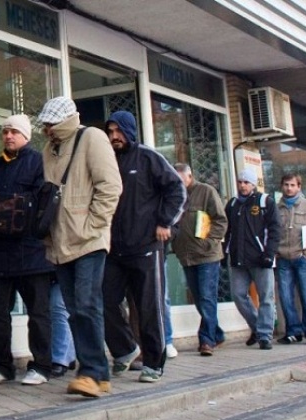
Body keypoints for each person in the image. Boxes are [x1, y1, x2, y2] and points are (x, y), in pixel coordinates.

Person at [38, 96, 122, 398]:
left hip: (88, 240)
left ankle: (93, 372)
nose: (46, 128)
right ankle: (96, 371)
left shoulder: (92, 138)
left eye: (50, 123)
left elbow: (110, 186)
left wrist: (92, 226)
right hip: (60, 242)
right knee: (76, 310)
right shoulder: (49, 149)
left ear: (63, 121)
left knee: (87, 304)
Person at [103, 111, 185, 384]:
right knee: (103, 300)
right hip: (113, 249)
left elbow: (177, 189)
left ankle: (154, 362)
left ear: (130, 131)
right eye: (110, 131)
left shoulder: (149, 158)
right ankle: (126, 349)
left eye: (119, 131)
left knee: (149, 307)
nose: (114, 136)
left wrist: (165, 222)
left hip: (146, 246)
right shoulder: (106, 160)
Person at [0, 114, 55, 386]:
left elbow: (42, 203)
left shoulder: (39, 164)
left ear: (26, 136)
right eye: (5, 131)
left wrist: (3, 205)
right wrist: (12, 205)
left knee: (38, 314)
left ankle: (41, 366)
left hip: (32, 252)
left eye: (14, 132)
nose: (8, 136)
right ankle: (2, 366)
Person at [171, 163, 228, 356]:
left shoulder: (206, 191)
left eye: (181, 179)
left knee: (206, 297)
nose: (178, 183)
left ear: (190, 176)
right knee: (198, 299)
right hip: (186, 257)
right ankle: (217, 333)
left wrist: (211, 242)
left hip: (207, 255)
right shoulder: (174, 195)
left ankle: (206, 340)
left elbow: (220, 219)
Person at [224, 169, 281, 350]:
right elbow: (227, 231)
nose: (242, 185)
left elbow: (274, 230)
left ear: (253, 184)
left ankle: (265, 335)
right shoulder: (232, 204)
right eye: (240, 182)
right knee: (238, 295)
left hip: (261, 258)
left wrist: (269, 253)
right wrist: (225, 251)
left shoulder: (265, 202)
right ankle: (257, 327)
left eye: (246, 182)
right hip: (239, 259)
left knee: (266, 297)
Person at [274, 173, 306, 345]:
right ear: (282, 186)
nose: (289, 188)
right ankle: (293, 331)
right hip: (283, 258)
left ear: (299, 187)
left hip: (302, 258)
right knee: (286, 298)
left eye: (292, 185)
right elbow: (272, 231)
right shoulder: (276, 208)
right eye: (286, 184)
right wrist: (275, 251)